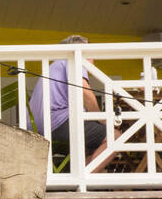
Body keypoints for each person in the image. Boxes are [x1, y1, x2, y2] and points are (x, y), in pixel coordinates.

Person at [26, 35, 110, 164]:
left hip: (37, 127)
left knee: (92, 140)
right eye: (89, 51)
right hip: (56, 123)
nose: (92, 56)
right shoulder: (74, 59)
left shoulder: (56, 65)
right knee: (114, 136)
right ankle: (87, 179)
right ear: (75, 49)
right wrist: (103, 119)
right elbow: (85, 93)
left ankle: (83, 174)